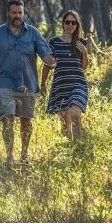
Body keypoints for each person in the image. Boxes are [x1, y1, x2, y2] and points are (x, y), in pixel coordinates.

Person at [0, 0, 56, 167]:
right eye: (14, 13)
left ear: (23, 13)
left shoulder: (33, 33)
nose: (17, 16)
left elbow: (44, 54)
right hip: (5, 83)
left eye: (20, 13)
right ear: (8, 13)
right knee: (7, 118)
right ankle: (9, 155)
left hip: (27, 83)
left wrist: (52, 62)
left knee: (26, 120)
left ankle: (24, 153)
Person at [40, 10, 90, 140]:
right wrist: (43, 83)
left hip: (78, 84)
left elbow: (84, 67)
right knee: (64, 122)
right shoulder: (54, 42)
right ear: (63, 24)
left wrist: (85, 53)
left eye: (73, 23)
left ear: (77, 25)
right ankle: (69, 149)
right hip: (61, 85)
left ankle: (80, 146)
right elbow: (47, 64)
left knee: (75, 113)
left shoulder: (81, 43)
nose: (70, 25)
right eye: (67, 22)